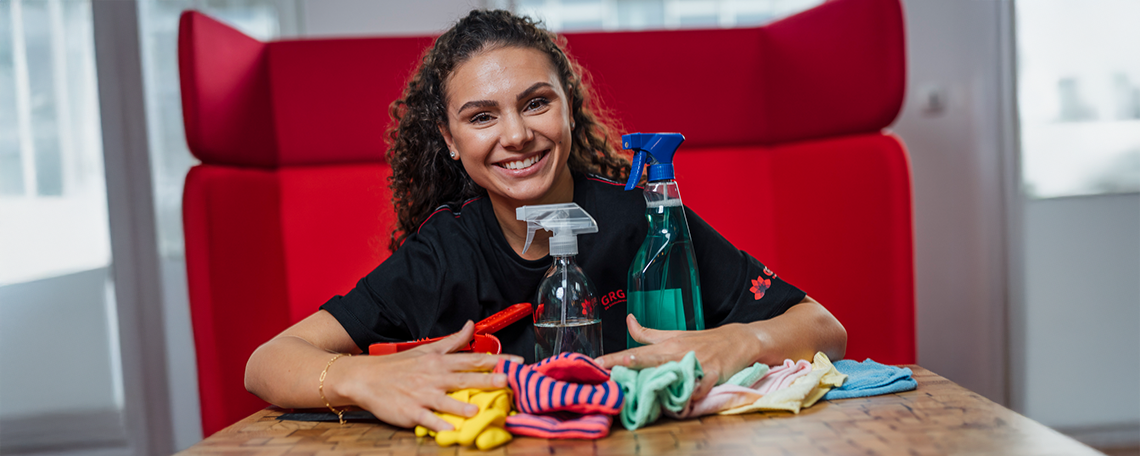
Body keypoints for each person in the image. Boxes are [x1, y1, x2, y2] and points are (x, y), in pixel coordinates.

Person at [245, 9, 846, 432]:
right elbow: (266, 363)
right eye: (482, 116)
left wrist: (739, 341)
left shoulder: (643, 220)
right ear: (450, 139)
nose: (516, 135)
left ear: (568, 108)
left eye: (536, 103)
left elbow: (823, 326)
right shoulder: (443, 253)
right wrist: (362, 380)